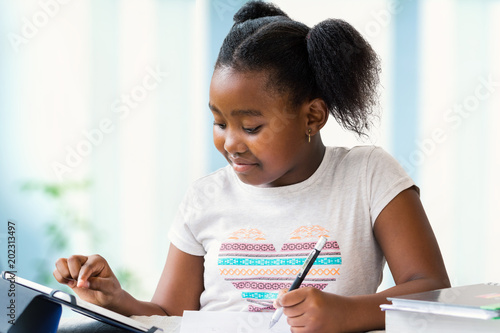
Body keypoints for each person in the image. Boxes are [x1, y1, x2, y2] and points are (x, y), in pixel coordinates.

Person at [54, 1, 450, 332]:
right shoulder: (205, 198)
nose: (230, 143)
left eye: (251, 127)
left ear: (312, 117)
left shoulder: (368, 176)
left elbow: (431, 289)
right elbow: (171, 318)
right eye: (219, 123)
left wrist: (346, 313)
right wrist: (118, 300)